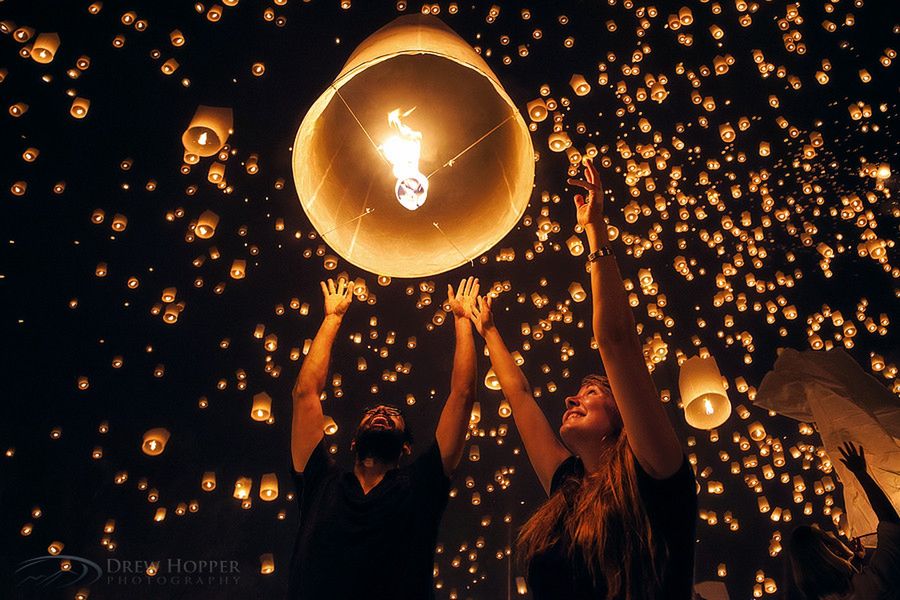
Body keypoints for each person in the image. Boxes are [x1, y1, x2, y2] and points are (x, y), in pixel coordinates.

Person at [468, 158, 697, 599]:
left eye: (591, 392)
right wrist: (489, 330)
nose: (572, 399)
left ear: (623, 414)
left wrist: (594, 230)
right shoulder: (569, 486)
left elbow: (616, 344)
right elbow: (520, 397)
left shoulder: (655, 473)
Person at [288, 276, 480, 599]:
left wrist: (462, 321)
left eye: (393, 415)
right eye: (373, 412)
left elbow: (462, 396)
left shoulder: (422, 484)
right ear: (352, 442)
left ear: (406, 446)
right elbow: (305, 394)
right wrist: (332, 319)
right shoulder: (321, 482)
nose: (381, 413)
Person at [789, 441, 900, 599]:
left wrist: (856, 561)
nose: (833, 536)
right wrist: (861, 473)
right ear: (829, 550)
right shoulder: (871, 585)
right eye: (828, 537)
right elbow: (892, 525)